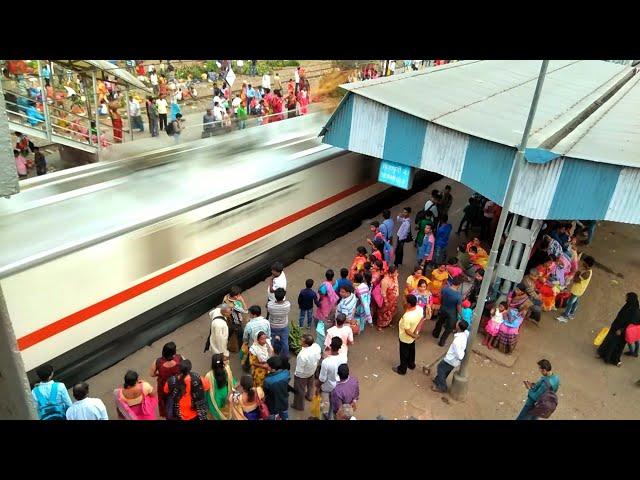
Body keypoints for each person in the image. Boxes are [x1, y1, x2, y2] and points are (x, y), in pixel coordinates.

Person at [598, 292, 640, 366]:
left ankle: (613, 359)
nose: (625, 298)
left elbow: (631, 324)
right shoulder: (629, 305)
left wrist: (621, 330)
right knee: (610, 341)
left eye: (627, 297)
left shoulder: (634, 311)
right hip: (616, 326)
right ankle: (605, 355)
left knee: (616, 345)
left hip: (621, 331)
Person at [432, 320, 469, 393]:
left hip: (450, 359)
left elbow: (460, 356)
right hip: (453, 361)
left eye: (457, 323)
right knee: (446, 370)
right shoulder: (465, 333)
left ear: (458, 327)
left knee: (440, 368)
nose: (456, 323)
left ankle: (442, 386)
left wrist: (461, 354)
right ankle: (438, 380)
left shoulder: (457, 341)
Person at [557, 255, 594, 323]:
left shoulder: (586, 273)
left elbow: (576, 280)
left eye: (584, 263)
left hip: (577, 290)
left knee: (570, 302)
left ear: (587, 264)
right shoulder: (588, 271)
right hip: (580, 290)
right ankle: (572, 313)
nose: (582, 263)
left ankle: (566, 315)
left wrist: (577, 273)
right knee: (575, 301)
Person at [393, 294, 424, 375]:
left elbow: (407, 331)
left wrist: (415, 336)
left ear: (409, 304)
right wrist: (416, 333)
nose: (403, 301)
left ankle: (402, 369)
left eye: (405, 301)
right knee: (412, 350)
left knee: (404, 354)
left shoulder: (407, 317)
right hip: (413, 335)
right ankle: (411, 364)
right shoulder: (419, 309)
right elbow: (421, 320)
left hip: (405, 337)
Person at [150, 342, 183, 418]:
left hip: (163, 386)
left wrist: (160, 374)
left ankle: (168, 414)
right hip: (177, 384)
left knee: (165, 401)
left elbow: (152, 374)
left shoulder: (158, 362)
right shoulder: (180, 358)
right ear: (174, 352)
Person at [319, 337, 346, 420]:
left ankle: (323, 416)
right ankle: (330, 416)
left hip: (327, 386)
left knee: (323, 403)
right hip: (338, 385)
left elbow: (322, 379)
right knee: (333, 403)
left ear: (330, 346)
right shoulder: (344, 357)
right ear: (340, 347)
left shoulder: (326, 362)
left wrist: (317, 387)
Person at [292, 334, 321, 411]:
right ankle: (309, 396)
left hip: (302, 375)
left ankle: (299, 406)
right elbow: (318, 358)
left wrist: (296, 375)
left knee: (300, 390)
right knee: (310, 385)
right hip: (312, 371)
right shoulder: (316, 347)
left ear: (305, 344)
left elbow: (299, 370)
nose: (300, 341)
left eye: (301, 340)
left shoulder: (302, 355)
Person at [205, 354, 237, 420]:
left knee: (218, 411)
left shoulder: (209, 375)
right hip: (226, 392)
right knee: (227, 408)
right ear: (222, 362)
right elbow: (232, 380)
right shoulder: (227, 369)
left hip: (216, 396)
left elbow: (206, 389)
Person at [433, 277, 463, 346]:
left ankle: (435, 334)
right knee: (449, 328)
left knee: (440, 322)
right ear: (459, 285)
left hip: (443, 308)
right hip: (452, 313)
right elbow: (458, 307)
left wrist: (442, 303)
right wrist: (461, 315)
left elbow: (440, 297)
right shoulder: (458, 296)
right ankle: (442, 342)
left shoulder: (445, 288)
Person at [316, 269, 340, 346]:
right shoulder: (335, 283)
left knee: (322, 314)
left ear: (326, 276)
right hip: (332, 301)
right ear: (333, 276)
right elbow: (334, 291)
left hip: (326, 301)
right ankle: (330, 321)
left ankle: (321, 328)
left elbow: (321, 294)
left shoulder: (324, 285)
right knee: (330, 312)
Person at [223, 285, 248, 354]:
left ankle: (224, 347)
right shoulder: (234, 305)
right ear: (235, 296)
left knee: (228, 335)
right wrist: (242, 300)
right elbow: (246, 311)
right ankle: (242, 351)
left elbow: (223, 307)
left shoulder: (226, 297)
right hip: (237, 323)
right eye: (239, 294)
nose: (240, 295)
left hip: (230, 321)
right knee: (241, 338)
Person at [267, 287, 291, 357]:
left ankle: (270, 355)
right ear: (284, 296)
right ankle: (286, 355)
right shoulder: (287, 304)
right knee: (285, 342)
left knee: (271, 341)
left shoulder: (270, 305)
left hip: (272, 326)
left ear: (275, 295)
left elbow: (268, 309)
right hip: (283, 326)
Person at [377, 264, 399, 330]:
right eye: (395, 273)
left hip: (393, 299)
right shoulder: (385, 281)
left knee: (390, 311)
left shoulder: (394, 278)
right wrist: (386, 301)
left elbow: (396, 286)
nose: (397, 274)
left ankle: (387, 322)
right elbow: (383, 292)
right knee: (383, 312)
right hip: (387, 300)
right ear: (390, 273)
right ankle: (380, 325)